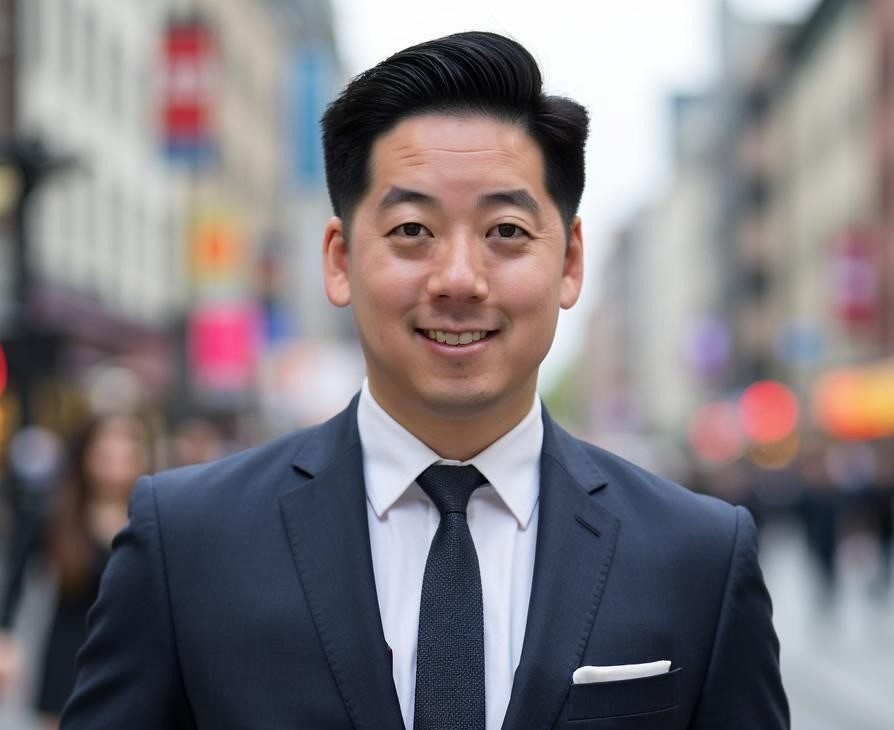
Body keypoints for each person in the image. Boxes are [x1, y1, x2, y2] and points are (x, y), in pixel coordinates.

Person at [61, 31, 788, 729]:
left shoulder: (697, 555)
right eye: (413, 231)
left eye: (506, 231)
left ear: (569, 262)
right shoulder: (189, 544)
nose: (459, 279)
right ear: (341, 261)